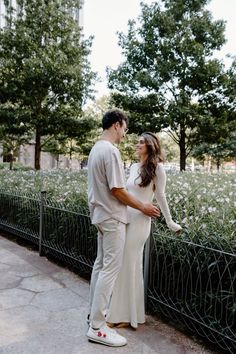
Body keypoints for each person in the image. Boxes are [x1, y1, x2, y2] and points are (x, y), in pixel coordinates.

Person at [86, 110, 160, 347]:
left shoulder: (95, 149)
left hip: (99, 215)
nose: (125, 134)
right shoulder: (110, 151)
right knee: (110, 269)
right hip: (113, 217)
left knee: (99, 266)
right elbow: (117, 190)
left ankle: (93, 315)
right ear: (117, 125)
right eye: (125, 129)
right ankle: (98, 327)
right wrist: (144, 207)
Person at [106, 132, 182, 330]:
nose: (137, 144)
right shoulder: (133, 167)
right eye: (137, 141)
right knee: (127, 266)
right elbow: (124, 193)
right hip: (126, 218)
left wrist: (169, 220)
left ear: (150, 145)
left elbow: (161, 196)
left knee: (128, 266)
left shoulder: (158, 168)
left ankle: (122, 315)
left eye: (141, 142)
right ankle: (132, 315)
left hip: (140, 221)